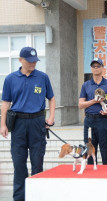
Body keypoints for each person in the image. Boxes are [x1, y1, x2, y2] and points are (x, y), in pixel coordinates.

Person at [0, 47, 56, 201]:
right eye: (30, 61)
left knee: (37, 162)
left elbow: (51, 98)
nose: (33, 64)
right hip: (18, 123)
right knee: (19, 164)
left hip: (37, 122)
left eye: (35, 61)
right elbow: (5, 102)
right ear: (20, 60)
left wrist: (51, 117)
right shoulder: (11, 79)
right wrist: (2, 124)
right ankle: (19, 198)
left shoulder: (42, 77)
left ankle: (36, 197)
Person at [79, 58, 107, 165]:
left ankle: (106, 177)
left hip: (103, 120)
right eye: (94, 66)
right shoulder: (86, 85)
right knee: (89, 150)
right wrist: (94, 101)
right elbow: (80, 104)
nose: (96, 68)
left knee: (105, 150)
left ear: (102, 68)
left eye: (98, 66)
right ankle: (91, 176)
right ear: (91, 68)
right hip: (89, 121)